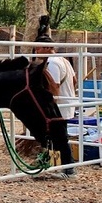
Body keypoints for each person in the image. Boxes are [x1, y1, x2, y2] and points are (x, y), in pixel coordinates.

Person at [34, 34, 77, 177]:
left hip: (58, 107)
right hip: (67, 103)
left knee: (60, 138)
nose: (36, 51)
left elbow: (54, 86)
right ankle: (56, 165)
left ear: (47, 48)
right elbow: (74, 80)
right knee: (57, 137)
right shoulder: (64, 60)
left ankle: (69, 169)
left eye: (38, 48)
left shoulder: (52, 63)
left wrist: (49, 108)